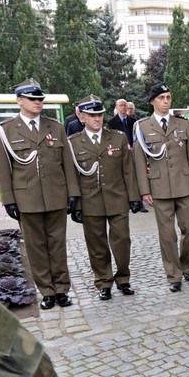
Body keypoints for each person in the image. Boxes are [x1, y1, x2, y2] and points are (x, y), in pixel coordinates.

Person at [0, 78, 79, 310]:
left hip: (56, 195)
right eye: (33, 99)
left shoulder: (55, 127)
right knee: (35, 247)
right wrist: (8, 200)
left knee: (57, 245)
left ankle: (61, 289)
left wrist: (73, 193)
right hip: (26, 198)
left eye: (40, 99)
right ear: (19, 101)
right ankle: (47, 291)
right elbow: (3, 169)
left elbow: (67, 164)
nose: (38, 102)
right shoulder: (5, 130)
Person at [66, 95, 141, 300]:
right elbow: (72, 175)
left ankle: (123, 279)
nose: (97, 119)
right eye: (92, 115)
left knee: (122, 242)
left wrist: (134, 197)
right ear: (82, 117)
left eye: (99, 115)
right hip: (90, 202)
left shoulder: (117, 138)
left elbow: (129, 171)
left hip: (117, 199)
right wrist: (76, 204)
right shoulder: (73, 143)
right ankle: (103, 282)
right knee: (97, 245)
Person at [132, 83, 189, 292]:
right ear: (152, 101)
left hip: (184, 185)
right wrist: (144, 190)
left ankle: (186, 266)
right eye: (161, 97)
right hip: (159, 188)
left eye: (168, 97)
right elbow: (138, 161)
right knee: (167, 235)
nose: (165, 101)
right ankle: (174, 275)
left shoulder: (183, 125)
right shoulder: (142, 127)